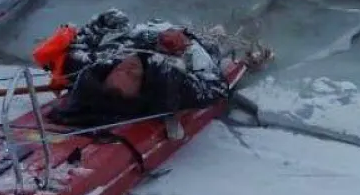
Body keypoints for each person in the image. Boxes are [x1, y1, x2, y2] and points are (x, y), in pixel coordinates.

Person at [30, 9, 230, 139]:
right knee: (211, 45)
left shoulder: (93, 69)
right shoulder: (163, 81)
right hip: (184, 48)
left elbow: (76, 48)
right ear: (139, 92)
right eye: (132, 76)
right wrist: (187, 47)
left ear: (106, 77)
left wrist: (101, 24)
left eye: (121, 71)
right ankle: (214, 37)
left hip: (145, 31)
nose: (128, 68)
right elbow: (217, 87)